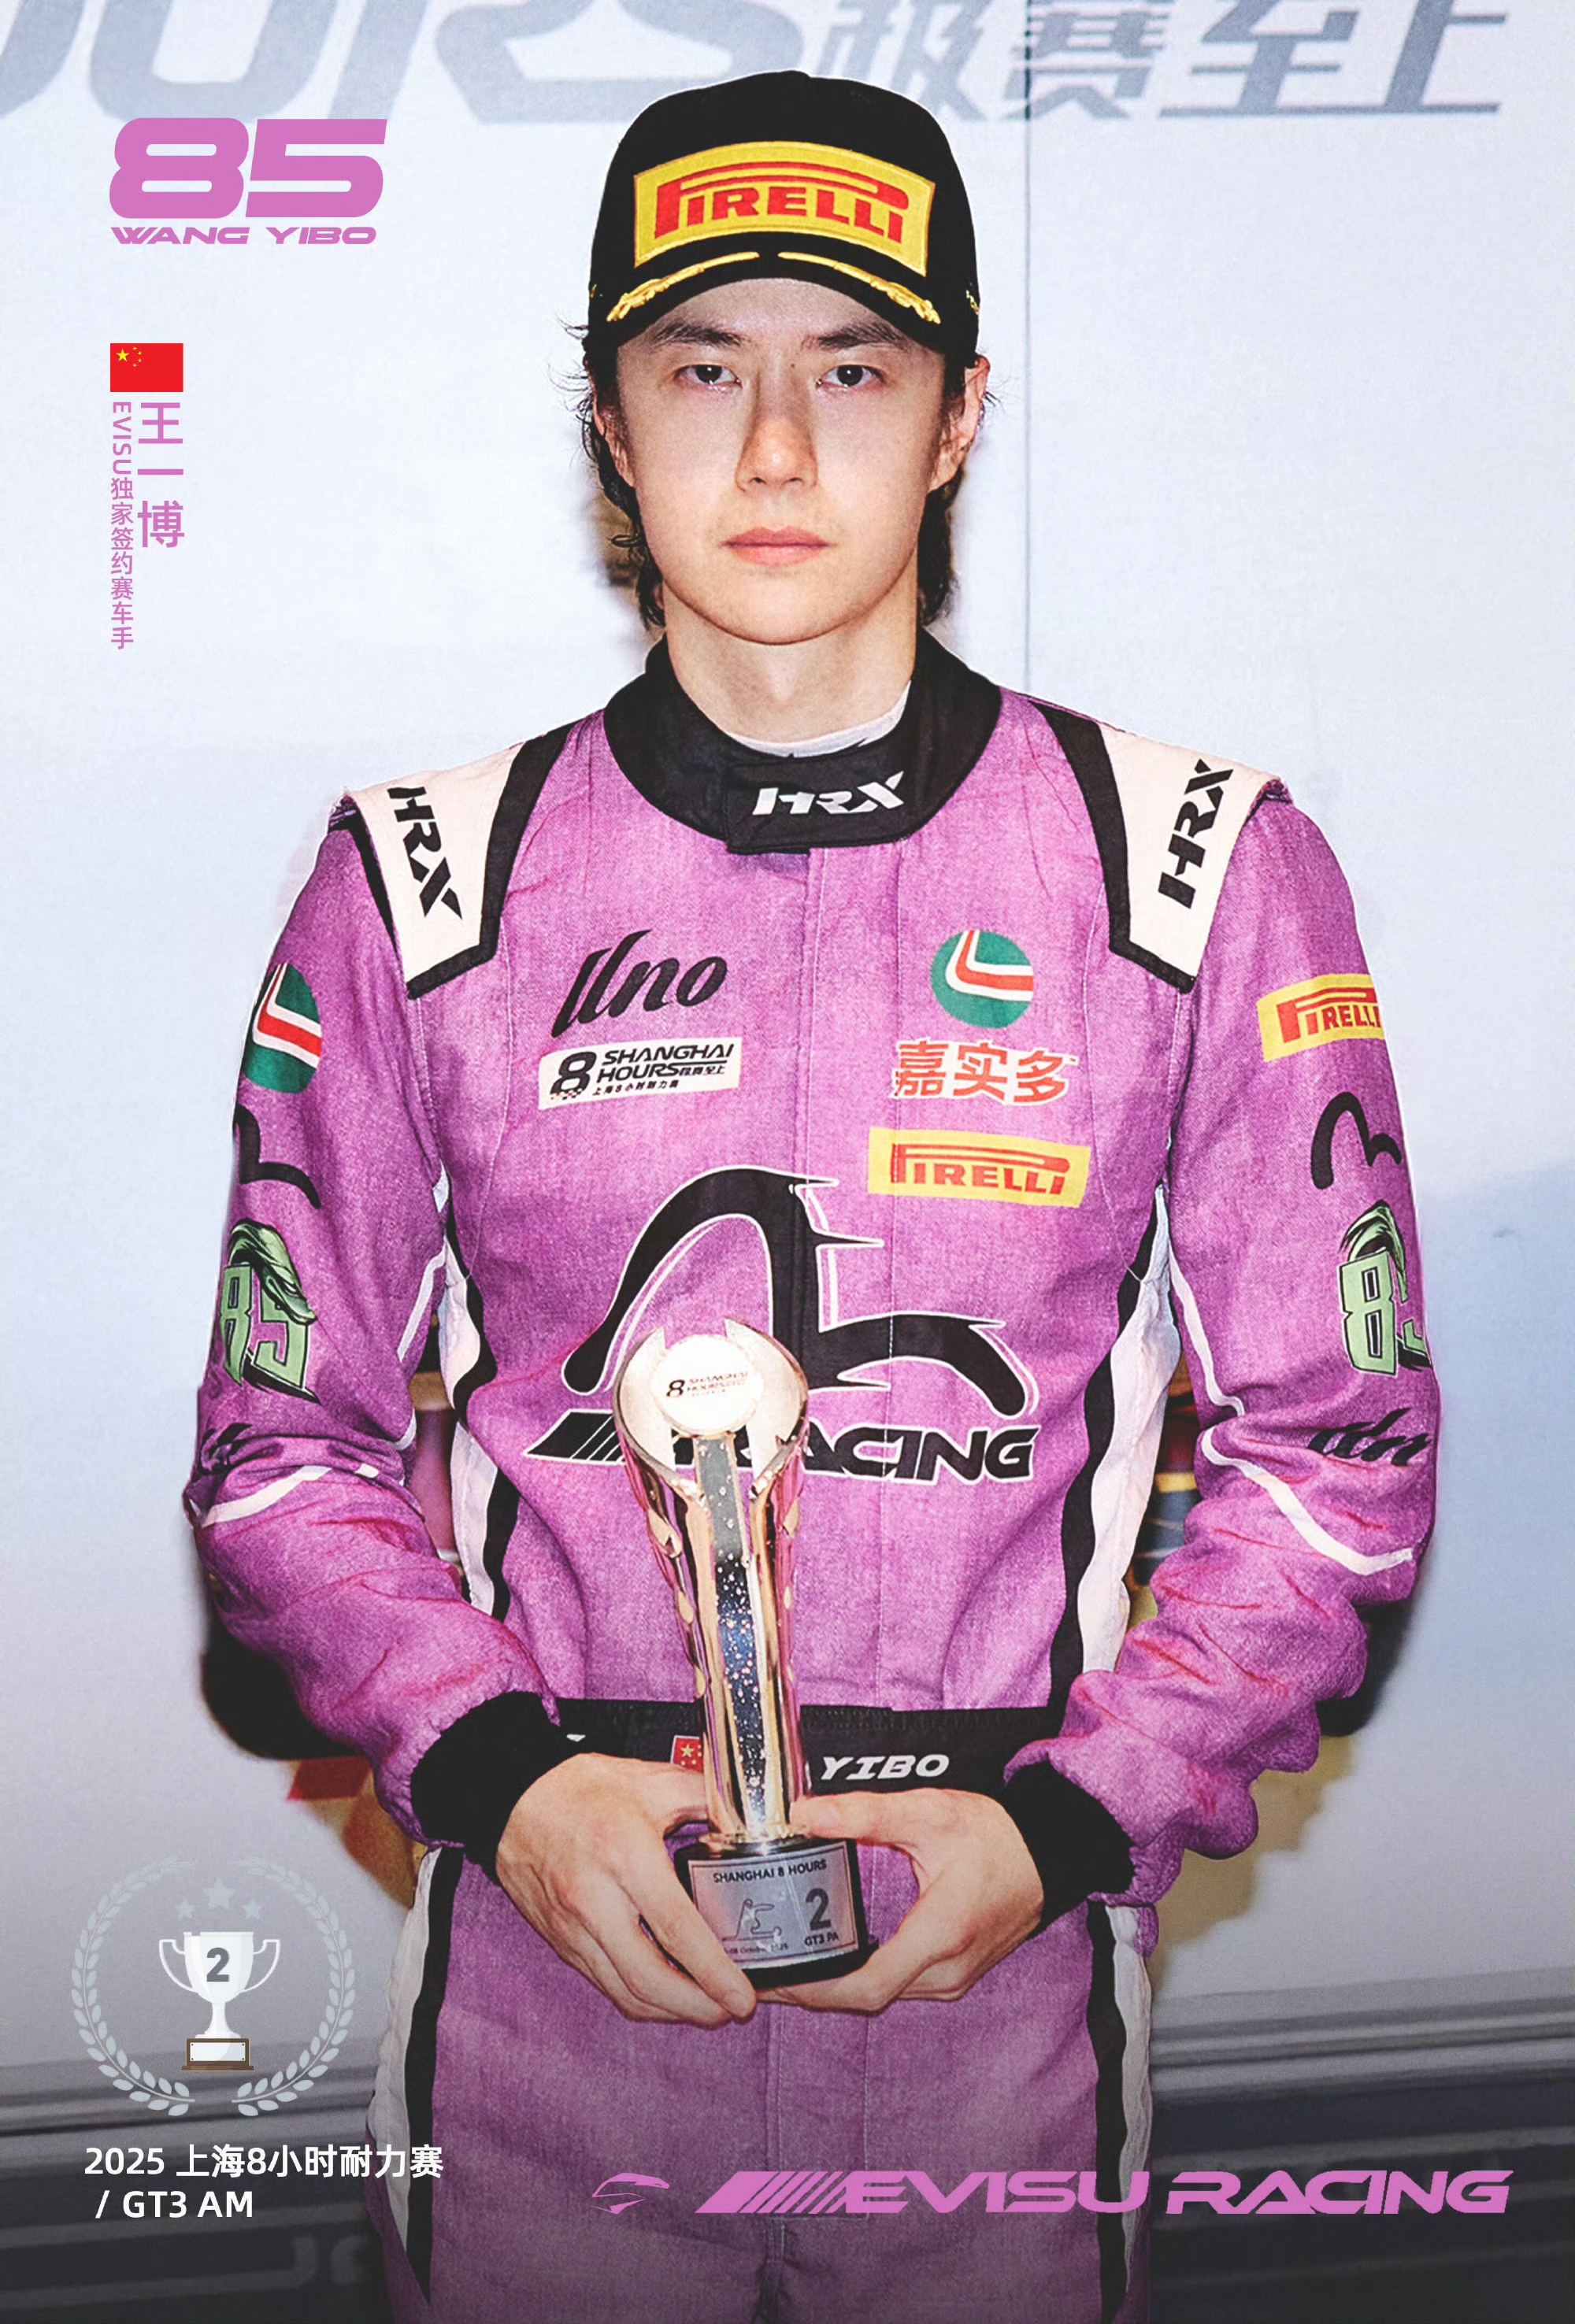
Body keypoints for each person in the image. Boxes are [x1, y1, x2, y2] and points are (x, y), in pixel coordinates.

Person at [185, 69, 1437, 2324]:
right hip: (559, 1965)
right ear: (607, 422)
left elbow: (1341, 1456)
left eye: (852, 370)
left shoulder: (1193, 867)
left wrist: (1067, 1823)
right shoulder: (422, 880)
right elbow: (283, 1449)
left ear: (961, 417)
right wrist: (505, 1784)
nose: (775, 452)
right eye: (703, 371)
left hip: (997, 1981)